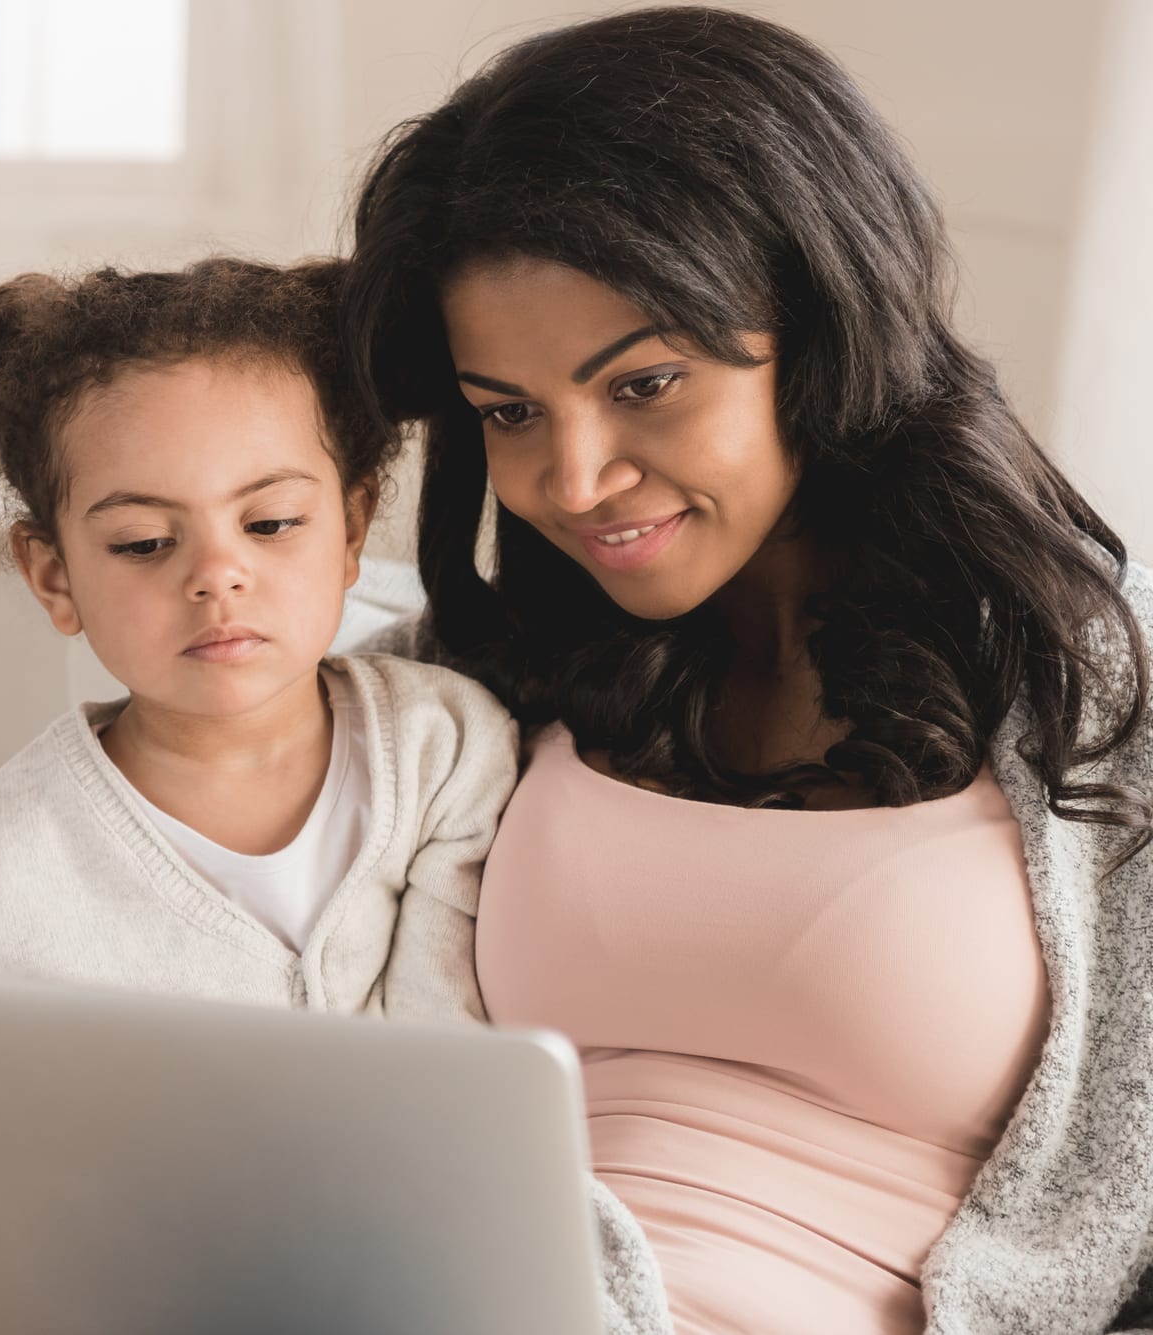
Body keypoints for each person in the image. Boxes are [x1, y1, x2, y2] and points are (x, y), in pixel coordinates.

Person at [342, 6, 1153, 1333]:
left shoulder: (1103, 694)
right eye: (509, 411)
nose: (574, 477)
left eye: (646, 383)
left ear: (823, 333)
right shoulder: (455, 693)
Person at [0, 258, 517, 1021]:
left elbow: (454, 1062)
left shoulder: (448, 750)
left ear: (351, 531)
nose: (215, 576)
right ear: (54, 577)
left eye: (269, 524)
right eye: (142, 542)